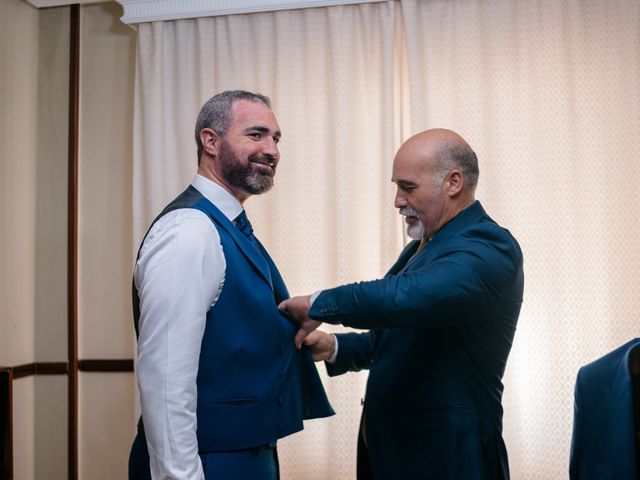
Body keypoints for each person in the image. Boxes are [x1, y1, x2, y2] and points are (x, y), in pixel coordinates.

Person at [280, 128, 524, 480]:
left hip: (448, 460)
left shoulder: (488, 246)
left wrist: (319, 304)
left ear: (453, 183)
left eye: (408, 187)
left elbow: (402, 300)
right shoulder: (425, 245)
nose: (397, 200)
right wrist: (334, 346)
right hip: (399, 457)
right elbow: (406, 337)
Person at [128, 90, 333, 480]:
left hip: (245, 458)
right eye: (256, 135)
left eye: (276, 138)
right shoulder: (188, 231)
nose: (272, 150)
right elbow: (166, 378)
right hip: (207, 463)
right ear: (210, 141)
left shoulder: (226, 226)